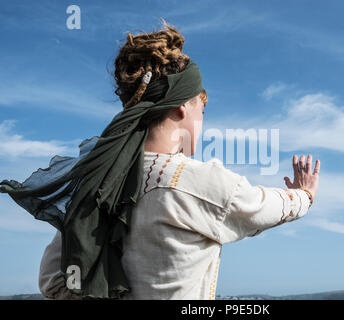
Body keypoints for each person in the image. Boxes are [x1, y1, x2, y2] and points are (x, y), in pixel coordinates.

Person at [12, 19, 320, 300]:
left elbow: (53, 280)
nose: (202, 121)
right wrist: (304, 195)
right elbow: (261, 208)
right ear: (183, 107)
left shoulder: (96, 185)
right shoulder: (196, 181)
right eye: (203, 110)